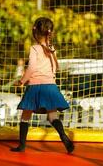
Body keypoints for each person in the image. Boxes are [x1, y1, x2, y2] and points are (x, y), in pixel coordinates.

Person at [10, 17, 74, 153]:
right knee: (53, 116)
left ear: (36, 32)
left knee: (25, 115)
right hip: (50, 86)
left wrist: (22, 81)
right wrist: (51, 79)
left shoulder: (35, 48)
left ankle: (21, 146)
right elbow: (55, 67)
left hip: (35, 86)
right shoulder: (52, 49)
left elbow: (32, 67)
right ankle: (63, 136)